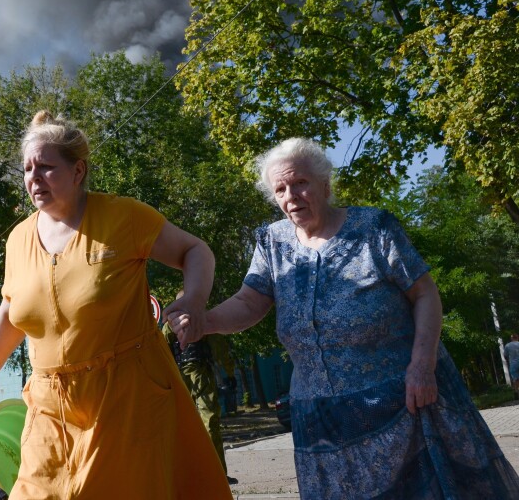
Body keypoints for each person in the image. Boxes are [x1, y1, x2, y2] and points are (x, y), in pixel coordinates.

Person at [169, 137, 519, 499]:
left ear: (325, 184)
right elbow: (249, 302)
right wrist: (204, 322)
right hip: (321, 419)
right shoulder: (271, 242)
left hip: (402, 403)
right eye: (281, 189)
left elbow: (425, 294)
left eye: (300, 183)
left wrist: (422, 366)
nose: (291, 195)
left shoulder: (374, 228)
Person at [0, 111, 232, 499]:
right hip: (48, 405)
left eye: (46, 167)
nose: (33, 178)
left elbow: (196, 251)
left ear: (78, 171)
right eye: (26, 169)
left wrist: (192, 300)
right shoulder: (18, 240)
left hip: (127, 397)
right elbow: (12, 314)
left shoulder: (123, 216)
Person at [161, 291, 237, 484]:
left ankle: (216, 474)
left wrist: (229, 375)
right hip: (180, 377)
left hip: (201, 373)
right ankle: (189, 475)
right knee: (183, 426)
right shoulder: (169, 328)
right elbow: (160, 352)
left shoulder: (205, 322)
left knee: (210, 421)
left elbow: (220, 350)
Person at [505, 334, 519, 399]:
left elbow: (505, 356)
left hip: (513, 364)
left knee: (515, 379)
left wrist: (508, 362)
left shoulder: (507, 345)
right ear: (517, 337)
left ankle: (516, 392)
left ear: (511, 338)